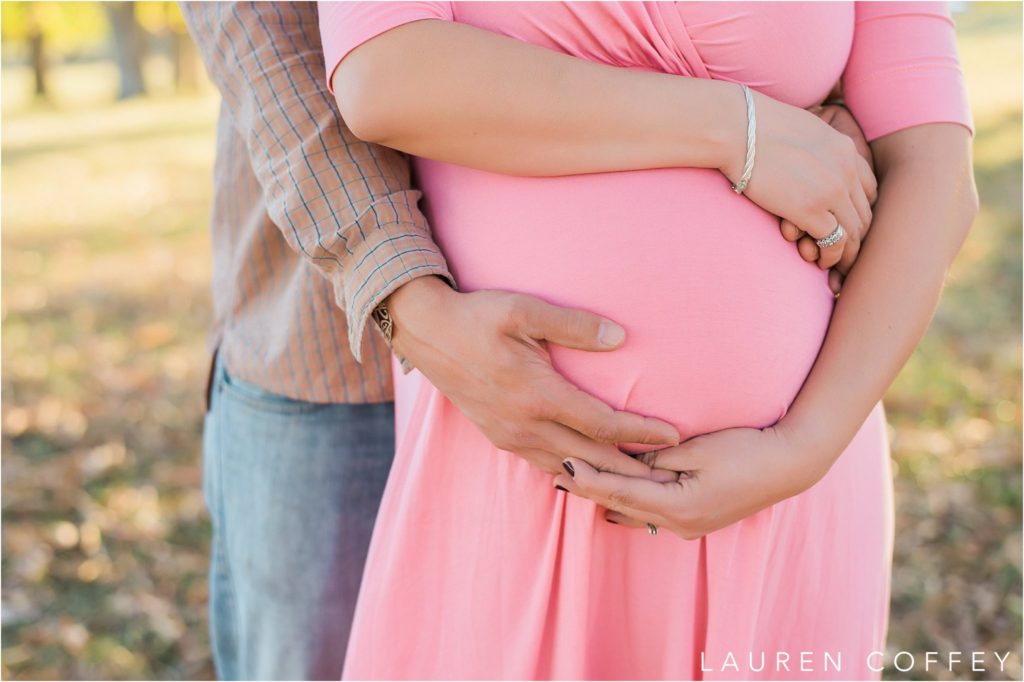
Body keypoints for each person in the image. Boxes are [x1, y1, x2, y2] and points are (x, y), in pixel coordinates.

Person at [176, 2, 863, 678]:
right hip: (335, 358)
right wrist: (399, 288)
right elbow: (266, 34)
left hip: (730, 454)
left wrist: (815, 114)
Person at [320, 2, 978, 679]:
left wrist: (803, 446)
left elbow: (936, 168)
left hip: (784, 488)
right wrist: (739, 130)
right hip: (517, 461)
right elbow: (385, 76)